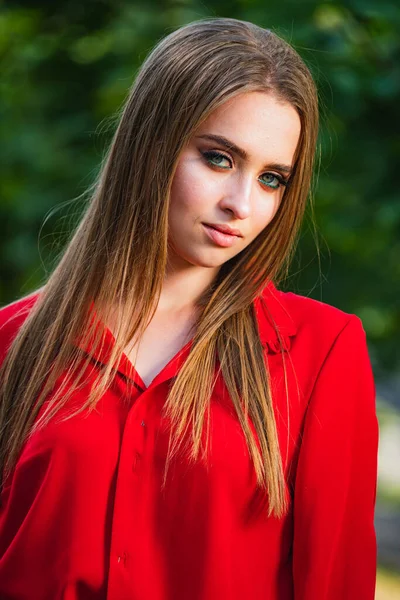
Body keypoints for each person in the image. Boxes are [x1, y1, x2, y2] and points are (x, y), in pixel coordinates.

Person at [0, 16, 378, 600]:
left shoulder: (321, 352)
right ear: (151, 145)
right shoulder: (13, 339)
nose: (241, 205)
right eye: (219, 159)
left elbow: (334, 581)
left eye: (273, 178)